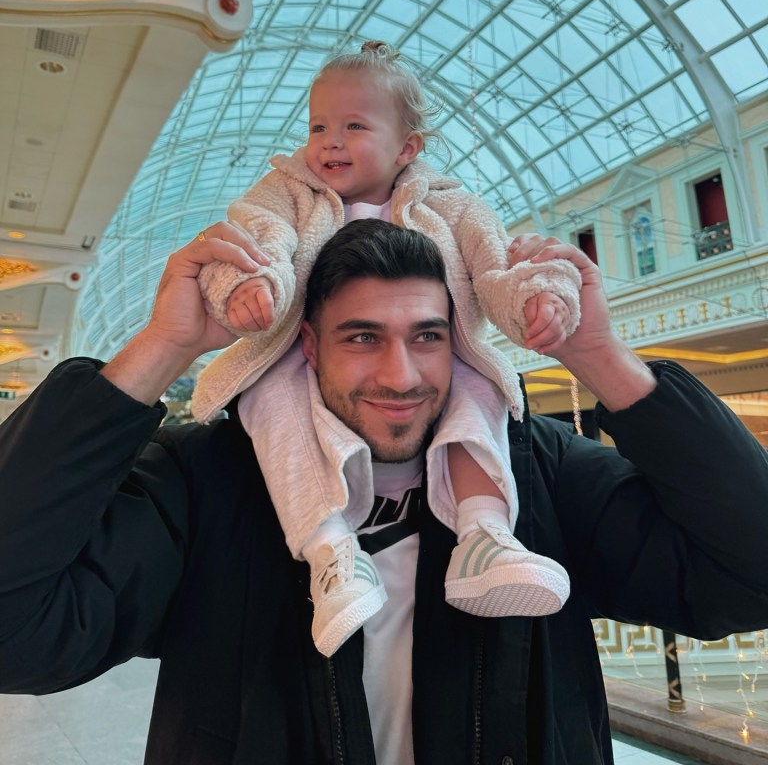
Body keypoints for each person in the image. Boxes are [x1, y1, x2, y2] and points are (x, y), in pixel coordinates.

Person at [1, 219, 768, 765]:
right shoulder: (208, 482)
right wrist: (161, 347)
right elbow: (18, 634)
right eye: (362, 336)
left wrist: (597, 355)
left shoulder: (535, 476)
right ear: (308, 344)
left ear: (459, 342)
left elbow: (751, 572)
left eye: (427, 336)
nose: (401, 375)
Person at [192, 40, 582, 655]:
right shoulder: (286, 192)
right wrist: (250, 284)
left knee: (477, 394)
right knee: (272, 405)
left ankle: (484, 534)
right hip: (296, 350)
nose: (330, 142)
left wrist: (536, 300)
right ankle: (331, 550)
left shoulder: (451, 206)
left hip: (445, 346)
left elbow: (496, 264)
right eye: (319, 125)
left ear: (407, 148)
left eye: (354, 125)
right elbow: (254, 239)